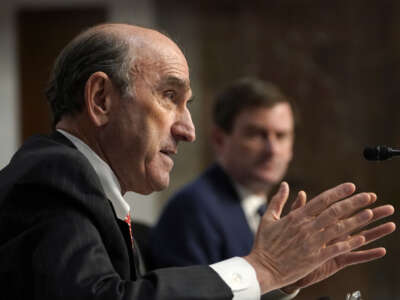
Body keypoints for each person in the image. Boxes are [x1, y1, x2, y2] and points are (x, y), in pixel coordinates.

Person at [0, 23, 395, 300]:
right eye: (170, 96)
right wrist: (263, 268)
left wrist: (279, 280)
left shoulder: (88, 193)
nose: (188, 129)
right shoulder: (51, 177)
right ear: (101, 99)